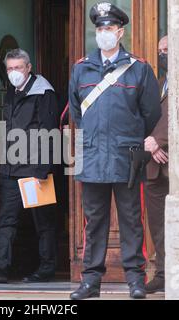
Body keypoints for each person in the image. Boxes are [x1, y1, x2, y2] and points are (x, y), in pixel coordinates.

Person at [68, 2, 161, 300]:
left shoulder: (139, 69)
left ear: (120, 32)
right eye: (100, 28)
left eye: (109, 28)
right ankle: (90, 281)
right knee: (93, 222)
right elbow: (77, 113)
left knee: (132, 219)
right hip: (93, 155)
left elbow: (151, 115)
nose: (104, 33)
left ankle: (135, 279)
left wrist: (131, 139)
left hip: (127, 156)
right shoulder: (81, 68)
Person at [0, 48, 59, 283]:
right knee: (6, 220)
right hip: (11, 169)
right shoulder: (11, 91)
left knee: (43, 221)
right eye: (9, 68)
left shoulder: (44, 91)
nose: (13, 72)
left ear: (28, 68)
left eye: (18, 67)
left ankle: (47, 269)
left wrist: (43, 168)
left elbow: (49, 131)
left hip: (35, 169)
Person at [144, 36, 169, 294]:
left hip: (172, 161)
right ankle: (162, 273)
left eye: (168, 50)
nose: (163, 56)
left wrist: (157, 141)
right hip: (153, 165)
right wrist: (148, 144)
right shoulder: (161, 83)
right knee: (158, 225)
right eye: (160, 51)